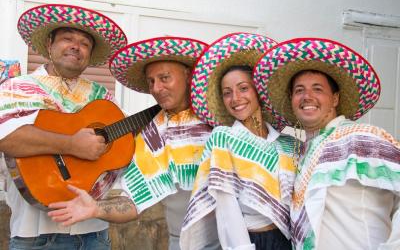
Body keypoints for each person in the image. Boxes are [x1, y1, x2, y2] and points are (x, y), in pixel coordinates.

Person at [47, 36, 220, 250]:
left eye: (165, 78)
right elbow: (133, 202)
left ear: (188, 75)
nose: (157, 88)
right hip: (183, 244)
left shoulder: (220, 120)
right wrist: (96, 209)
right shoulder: (152, 135)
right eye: (151, 81)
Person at [0, 4, 127, 249]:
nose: (75, 47)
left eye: (84, 44)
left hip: (94, 232)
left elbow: (125, 143)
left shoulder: (102, 97)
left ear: (89, 55)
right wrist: (71, 144)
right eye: (67, 38)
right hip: (34, 235)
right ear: (49, 44)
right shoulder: (16, 87)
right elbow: (5, 138)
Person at [253, 37, 400, 249]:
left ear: (335, 99)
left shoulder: (361, 136)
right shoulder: (303, 149)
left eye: (318, 89)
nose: (307, 96)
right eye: (299, 90)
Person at [180, 33, 297, 250]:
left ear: (258, 91)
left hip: (289, 242)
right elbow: (226, 207)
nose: (235, 99)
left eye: (243, 88)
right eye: (227, 93)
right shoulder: (224, 138)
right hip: (252, 241)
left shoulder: (286, 144)